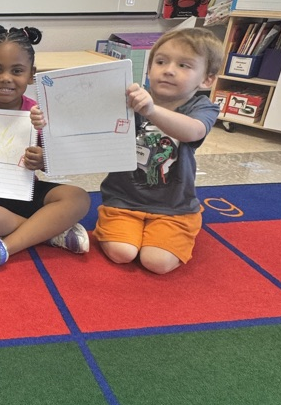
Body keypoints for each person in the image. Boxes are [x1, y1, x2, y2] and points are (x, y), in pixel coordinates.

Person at [0, 25, 91, 277]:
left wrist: (43, 160)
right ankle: (49, 233)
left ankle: (4, 247)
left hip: (24, 188)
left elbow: (57, 160)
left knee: (79, 198)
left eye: (17, 71)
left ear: (31, 75)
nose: (6, 78)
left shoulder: (37, 112)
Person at [95, 26, 222, 274]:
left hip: (174, 207)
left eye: (184, 65)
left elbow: (193, 131)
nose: (169, 70)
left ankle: (187, 223)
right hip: (123, 200)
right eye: (161, 61)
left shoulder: (202, 107)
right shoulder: (130, 96)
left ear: (206, 79)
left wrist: (151, 111)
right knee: (123, 253)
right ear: (149, 67)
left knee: (158, 262)